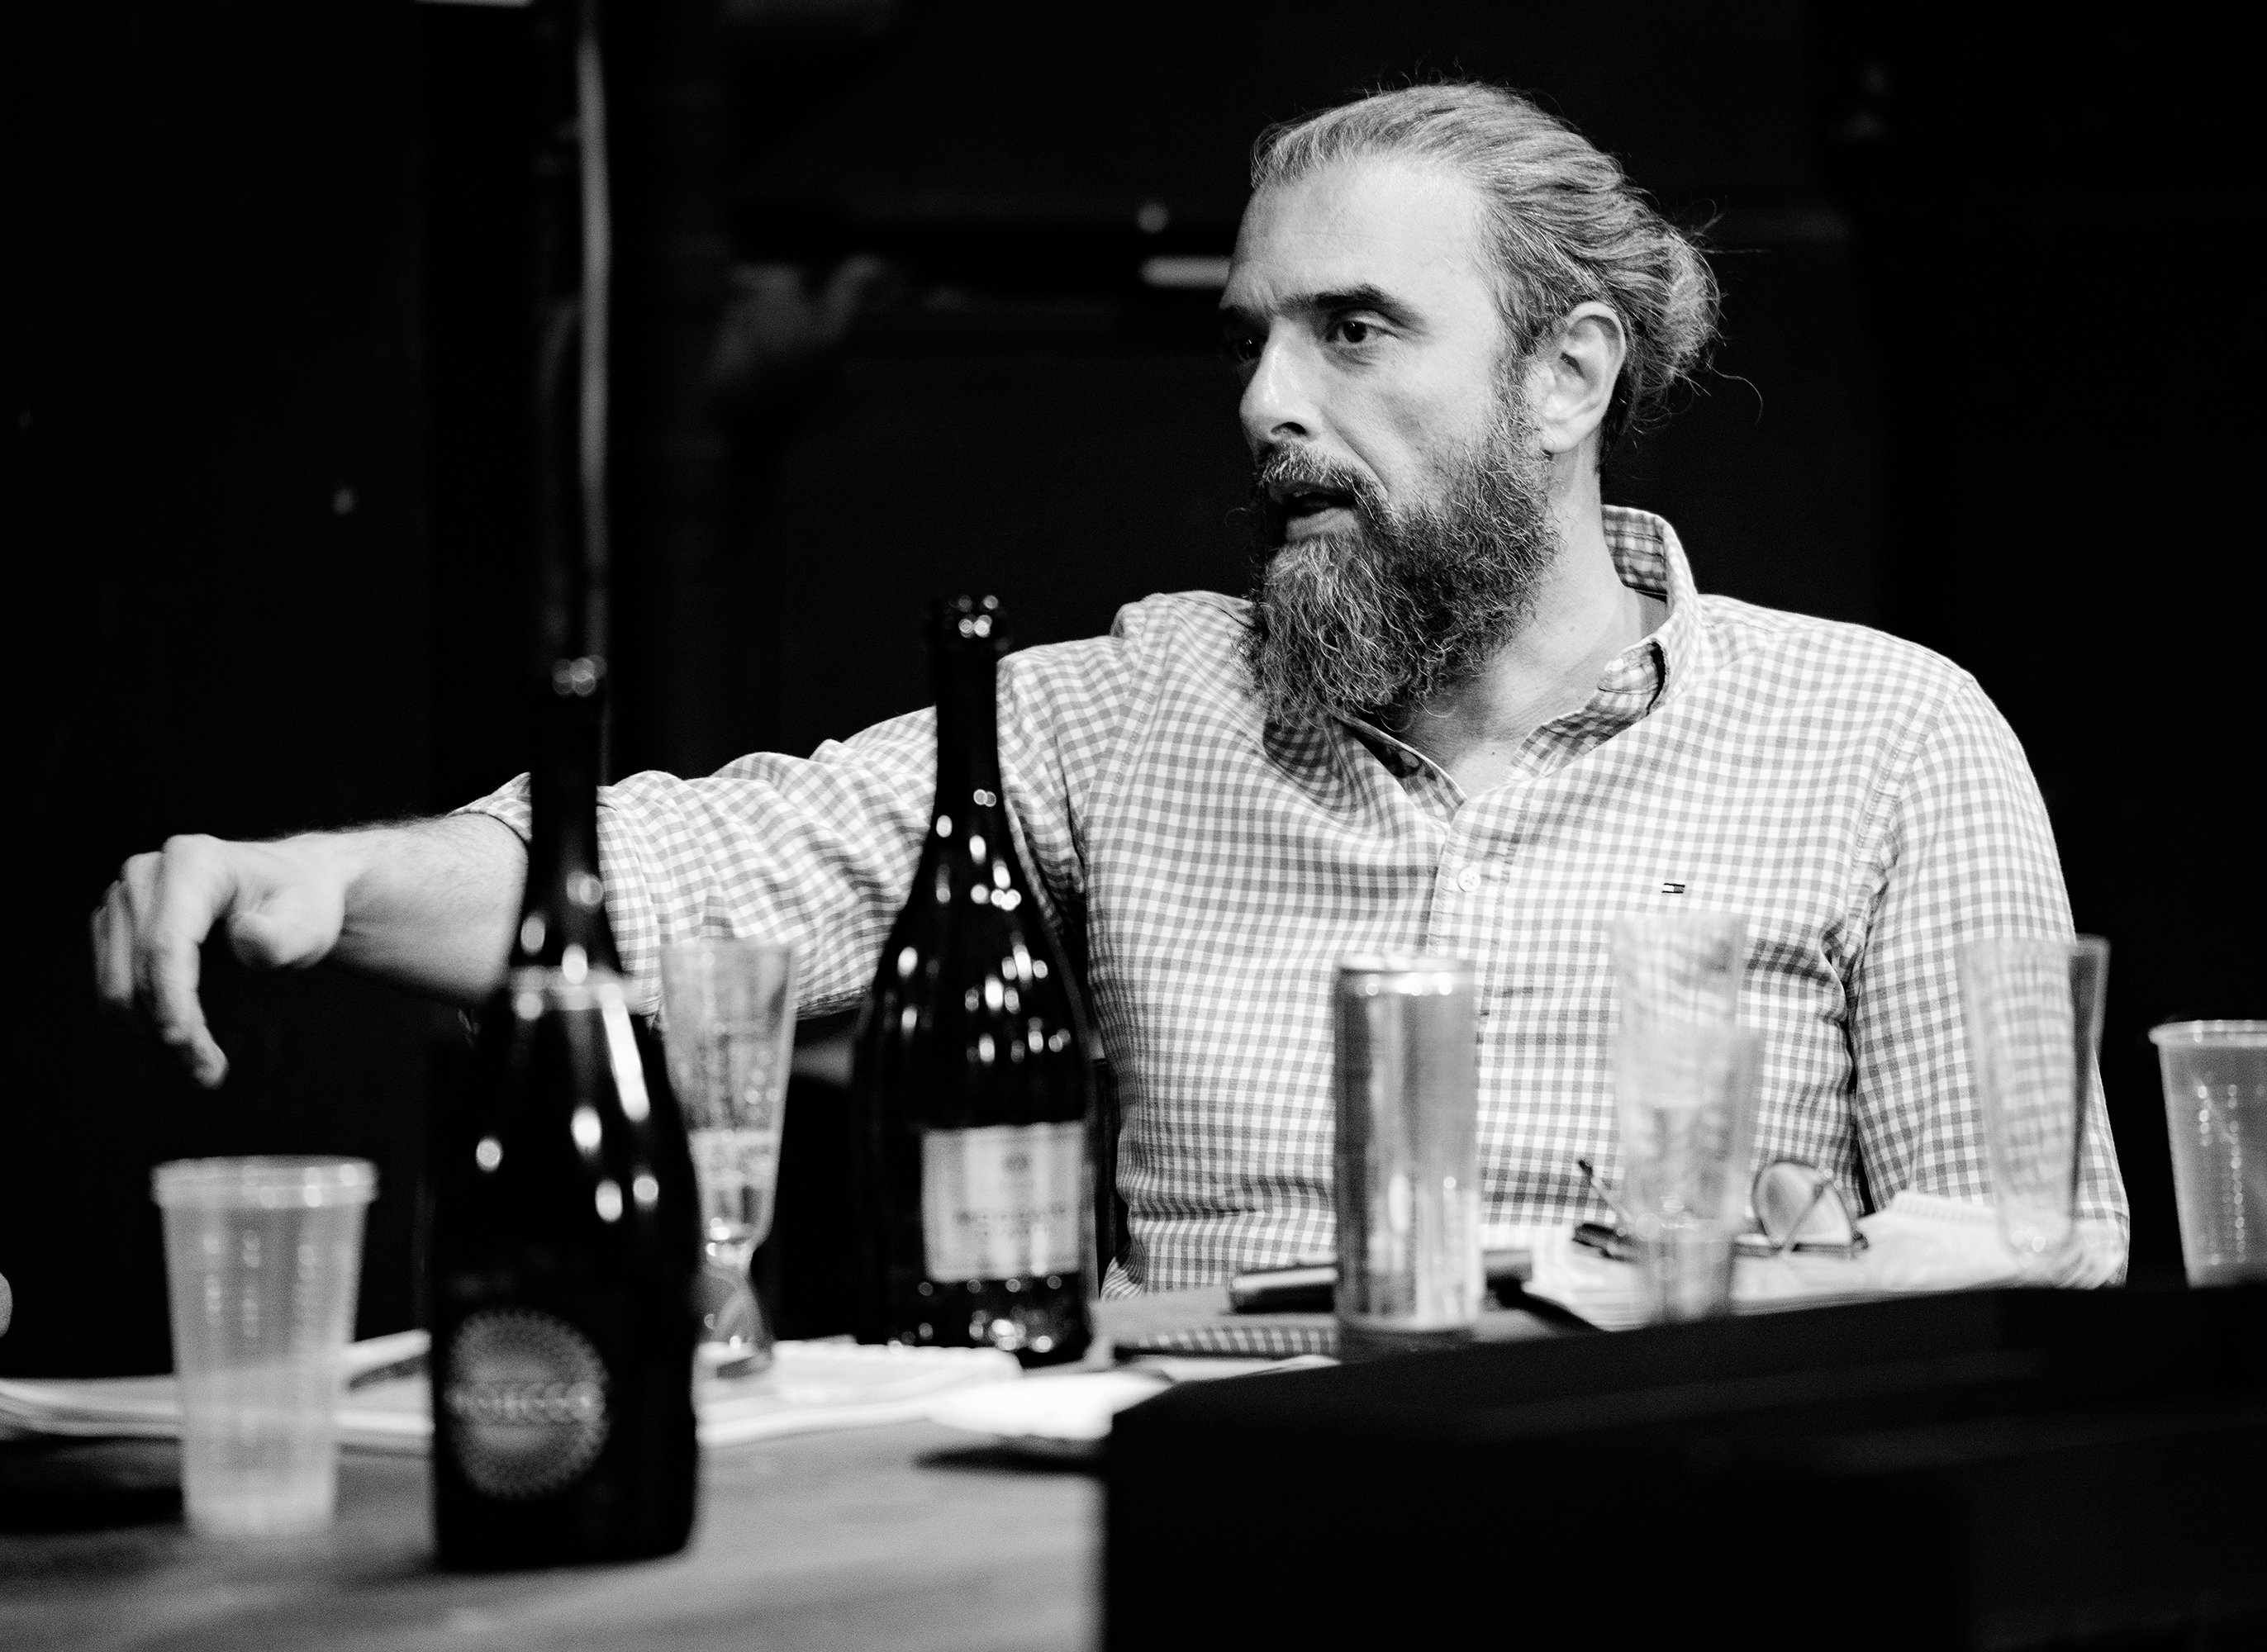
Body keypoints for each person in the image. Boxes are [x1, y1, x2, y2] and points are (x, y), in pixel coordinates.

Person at [93, 83, 2127, 1291]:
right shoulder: (1130, 713)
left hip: (1677, 1528)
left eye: (1354, 332)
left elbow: (2037, 1263)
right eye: (1256, 339)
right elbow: (704, 873)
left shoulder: (1887, 736)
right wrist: (323, 884)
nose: (1267, 402)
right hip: (1201, 1535)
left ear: (1566, 377)